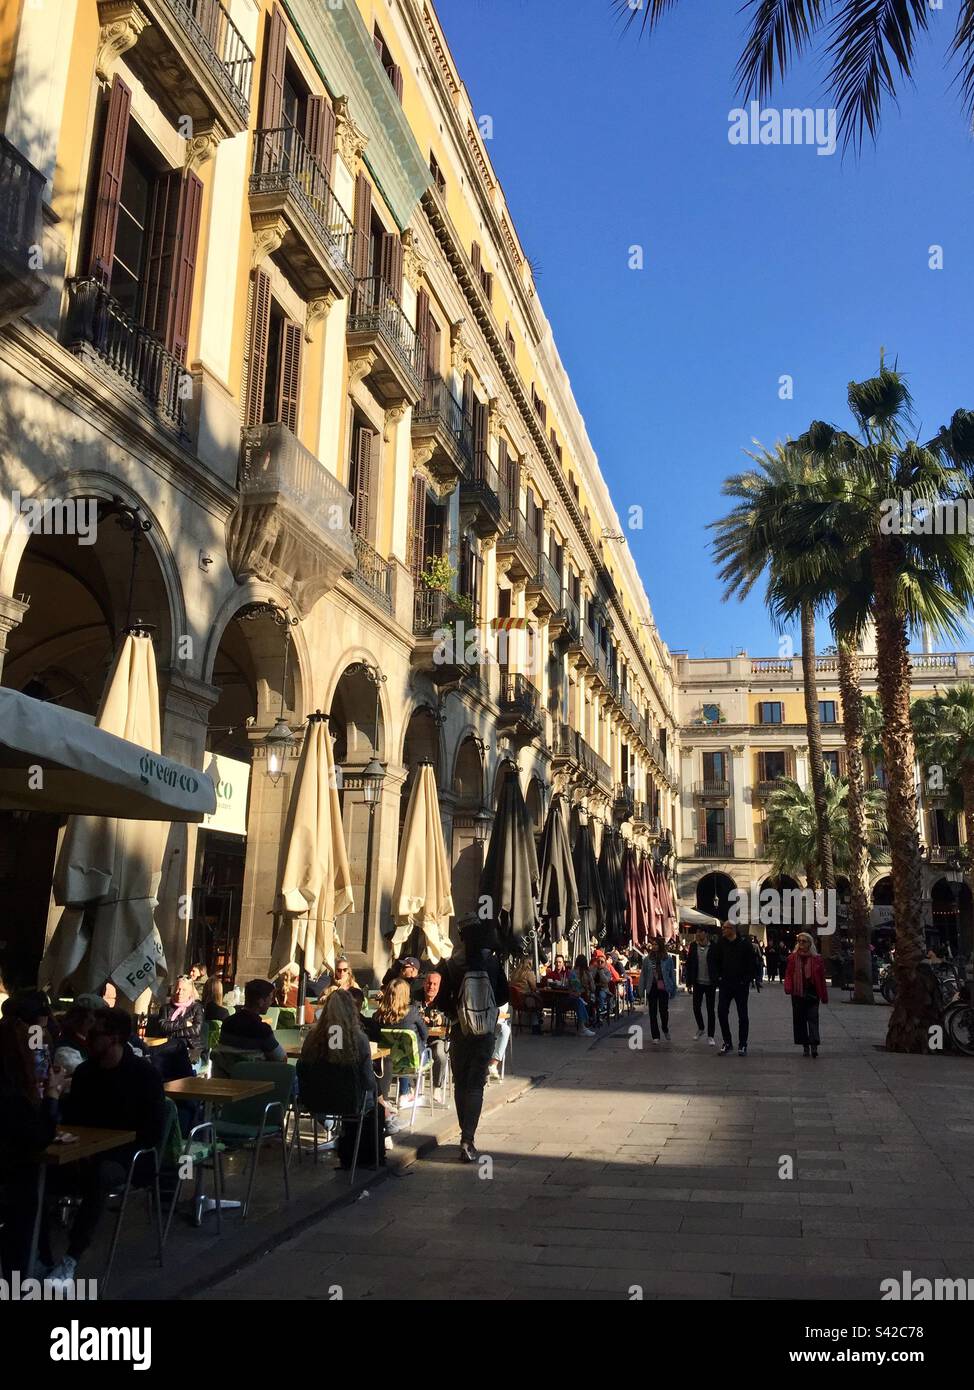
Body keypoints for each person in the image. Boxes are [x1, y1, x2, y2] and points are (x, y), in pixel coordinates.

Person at [55, 1008, 166, 1281]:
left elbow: (152, 1133)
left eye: (95, 1034)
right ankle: (37, 1255)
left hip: (131, 1158)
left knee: (99, 1175)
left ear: (114, 1037)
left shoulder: (144, 1075)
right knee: (34, 1174)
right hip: (83, 1152)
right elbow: (71, 1120)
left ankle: (72, 1257)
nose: (88, 1038)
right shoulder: (85, 1073)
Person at [431, 915, 509, 1163]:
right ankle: (468, 1138)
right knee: (476, 1085)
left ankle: (464, 1134)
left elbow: (440, 1000)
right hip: (485, 1032)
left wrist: (457, 1012)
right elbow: (503, 996)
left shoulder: (451, 964)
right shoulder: (492, 963)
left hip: (459, 1031)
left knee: (461, 1084)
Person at [0, 1011, 67, 1276]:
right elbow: (39, 1138)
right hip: (9, 1186)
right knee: (29, 1189)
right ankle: (24, 1270)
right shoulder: (13, 1098)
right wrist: (53, 1094)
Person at [297, 989, 384, 1168]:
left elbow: (302, 1068)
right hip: (349, 1102)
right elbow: (368, 1081)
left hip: (314, 1101)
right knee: (375, 1108)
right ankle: (368, 1158)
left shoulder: (311, 1039)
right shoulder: (359, 1040)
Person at [368, 978, 429, 1107]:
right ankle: (405, 1093)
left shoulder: (378, 1016)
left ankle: (406, 1091)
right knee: (410, 1051)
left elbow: (374, 1037)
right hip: (413, 1061)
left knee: (399, 1052)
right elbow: (425, 1034)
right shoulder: (412, 1012)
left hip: (387, 1063)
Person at [211, 978, 286, 1077]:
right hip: (254, 1083)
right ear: (260, 1001)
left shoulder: (227, 1023)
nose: (271, 1002)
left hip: (226, 1080)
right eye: (270, 998)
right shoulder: (261, 1029)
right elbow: (281, 1058)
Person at [713, 921, 756, 1055]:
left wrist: (746, 980)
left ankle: (743, 1044)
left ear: (733, 930)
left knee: (742, 1015)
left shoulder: (745, 944)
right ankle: (727, 1042)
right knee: (721, 1012)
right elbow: (716, 961)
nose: (723, 930)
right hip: (725, 984)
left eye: (725, 928)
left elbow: (752, 963)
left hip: (740, 985)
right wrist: (718, 978)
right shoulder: (721, 943)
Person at [783, 931, 828, 1057]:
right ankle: (805, 1046)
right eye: (799, 941)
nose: (801, 943)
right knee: (800, 1020)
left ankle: (814, 1045)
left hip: (813, 993)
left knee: (813, 1019)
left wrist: (824, 996)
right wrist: (788, 987)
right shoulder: (792, 958)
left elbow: (821, 979)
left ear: (810, 943)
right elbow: (789, 974)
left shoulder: (816, 959)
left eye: (804, 941)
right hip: (798, 994)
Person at [148, 975, 205, 1063]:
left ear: (190, 992)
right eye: (178, 989)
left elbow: (196, 1030)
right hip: (166, 1047)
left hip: (190, 1049)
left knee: (179, 1043)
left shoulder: (197, 1007)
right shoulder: (166, 1008)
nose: (180, 992)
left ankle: (149, 1052)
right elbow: (162, 1026)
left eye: (184, 990)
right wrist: (184, 1024)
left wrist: (171, 1034)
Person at [684, 928, 717, 1045]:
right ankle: (701, 1027)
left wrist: (717, 978)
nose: (697, 934)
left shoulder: (713, 946)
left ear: (705, 933)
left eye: (700, 932)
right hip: (697, 982)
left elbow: (717, 963)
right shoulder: (693, 946)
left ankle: (711, 1035)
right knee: (696, 1007)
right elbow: (689, 964)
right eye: (697, 932)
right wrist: (688, 983)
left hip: (710, 983)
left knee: (710, 1010)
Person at [640, 939, 677, 1041]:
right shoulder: (647, 959)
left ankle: (665, 1028)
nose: (654, 946)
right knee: (652, 1012)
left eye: (656, 944)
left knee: (663, 1011)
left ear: (660, 946)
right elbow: (643, 975)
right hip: (652, 987)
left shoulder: (667, 959)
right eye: (653, 944)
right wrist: (641, 989)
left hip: (663, 986)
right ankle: (655, 1035)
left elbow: (671, 974)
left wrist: (674, 988)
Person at [52, 1004, 97, 1083]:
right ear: (79, 1022)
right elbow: (84, 1075)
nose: (95, 1026)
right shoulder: (65, 1049)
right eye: (91, 1021)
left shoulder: (88, 1044)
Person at [510, 956, 544, 1034]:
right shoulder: (529, 973)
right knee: (538, 1000)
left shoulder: (514, 973)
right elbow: (534, 987)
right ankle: (536, 1025)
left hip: (514, 1001)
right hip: (524, 999)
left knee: (535, 999)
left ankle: (537, 1021)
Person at [567, 956, 598, 1035]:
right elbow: (593, 988)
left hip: (573, 996)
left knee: (582, 1001)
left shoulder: (572, 973)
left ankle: (583, 1026)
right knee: (584, 1002)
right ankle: (583, 1026)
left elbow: (571, 986)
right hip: (582, 996)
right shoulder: (587, 973)